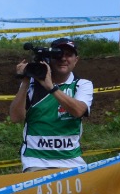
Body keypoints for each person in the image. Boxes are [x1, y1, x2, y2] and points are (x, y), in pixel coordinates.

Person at [9, 37, 93, 172]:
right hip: (36, 161)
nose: (63, 59)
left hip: (72, 161)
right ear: (50, 59)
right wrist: (25, 81)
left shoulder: (81, 84)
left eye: (69, 55)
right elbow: (15, 117)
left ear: (76, 60)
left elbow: (78, 111)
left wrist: (51, 87)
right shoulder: (32, 84)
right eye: (58, 54)